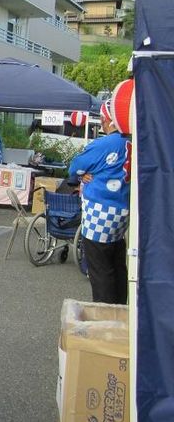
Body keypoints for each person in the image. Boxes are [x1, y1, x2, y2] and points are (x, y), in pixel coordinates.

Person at [68, 101, 130, 304]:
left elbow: (75, 167)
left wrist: (79, 176)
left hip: (100, 212)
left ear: (106, 119)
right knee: (117, 264)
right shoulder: (133, 142)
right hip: (124, 210)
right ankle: (122, 310)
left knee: (100, 269)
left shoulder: (104, 144)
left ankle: (105, 318)